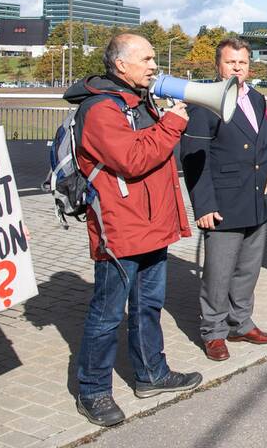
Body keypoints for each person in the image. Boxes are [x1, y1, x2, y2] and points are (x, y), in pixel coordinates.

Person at [66, 34, 201, 427]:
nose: (154, 65)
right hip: (120, 228)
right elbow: (133, 158)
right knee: (107, 313)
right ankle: (93, 391)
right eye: (146, 58)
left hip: (151, 224)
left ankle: (151, 375)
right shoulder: (100, 110)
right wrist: (174, 121)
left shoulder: (137, 102)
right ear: (121, 65)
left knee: (148, 306)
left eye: (154, 58)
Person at [181, 38, 267, 360]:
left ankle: (241, 322)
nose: (237, 68)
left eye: (243, 63)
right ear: (219, 66)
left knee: (248, 269)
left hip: (256, 196)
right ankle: (214, 331)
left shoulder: (258, 100)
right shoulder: (205, 103)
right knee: (218, 274)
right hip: (223, 203)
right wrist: (204, 206)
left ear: (249, 66)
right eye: (231, 62)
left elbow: (259, 139)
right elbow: (194, 158)